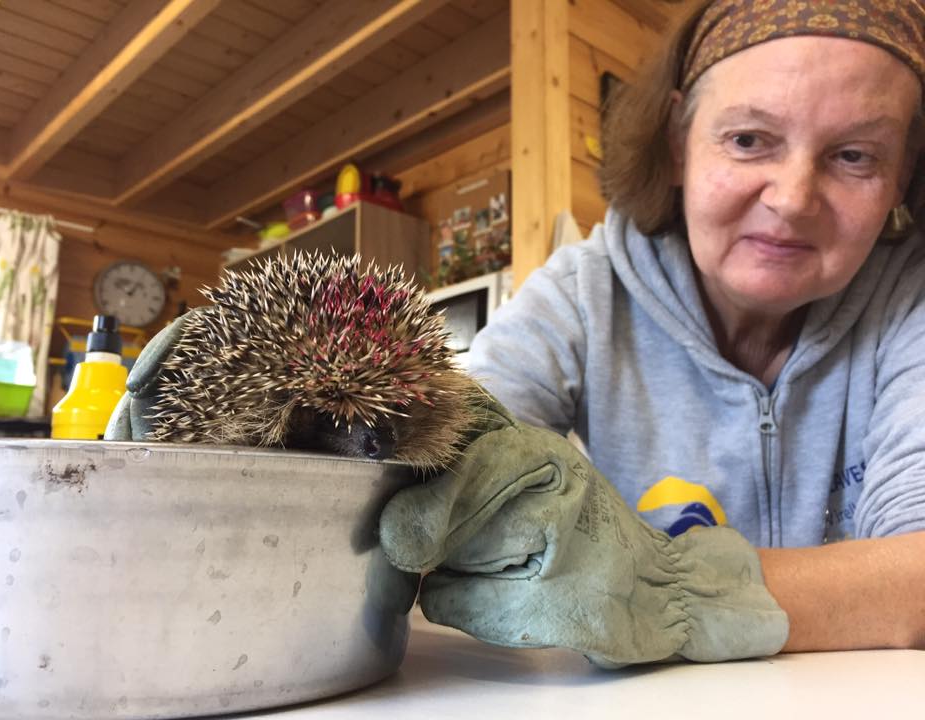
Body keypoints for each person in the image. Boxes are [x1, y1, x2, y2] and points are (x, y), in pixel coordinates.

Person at [378, 0, 925, 664]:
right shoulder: (583, 293)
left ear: (904, 175)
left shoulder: (910, 295)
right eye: (749, 139)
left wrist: (669, 591)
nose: (792, 198)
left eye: (854, 155)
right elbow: (444, 472)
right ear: (677, 144)